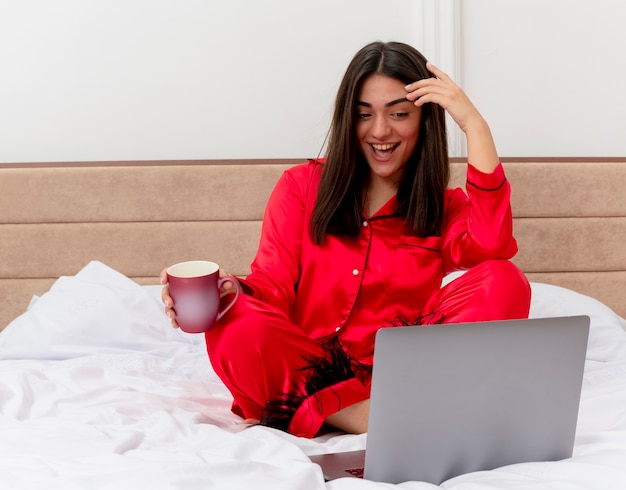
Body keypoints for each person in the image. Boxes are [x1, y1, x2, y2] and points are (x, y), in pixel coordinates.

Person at [160, 41, 531, 439]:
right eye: (363, 115)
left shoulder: (444, 209)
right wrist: (229, 292)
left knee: (504, 280)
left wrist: (476, 125)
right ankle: (360, 414)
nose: (380, 131)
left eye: (399, 114)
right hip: (306, 368)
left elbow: (492, 246)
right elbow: (272, 285)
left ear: (423, 123)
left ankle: (322, 414)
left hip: (398, 375)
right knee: (230, 318)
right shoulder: (300, 187)